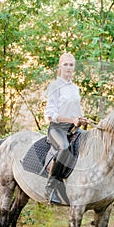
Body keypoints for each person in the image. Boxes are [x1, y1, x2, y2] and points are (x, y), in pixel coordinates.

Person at [44, 52, 87, 204]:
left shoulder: (75, 88)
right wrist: (71, 119)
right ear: (60, 67)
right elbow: (50, 115)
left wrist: (81, 119)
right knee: (64, 147)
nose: (68, 67)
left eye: (71, 65)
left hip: (73, 128)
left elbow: (76, 110)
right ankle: (51, 187)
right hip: (57, 128)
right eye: (66, 64)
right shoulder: (54, 86)